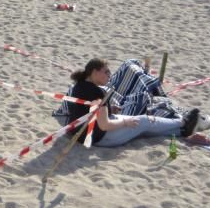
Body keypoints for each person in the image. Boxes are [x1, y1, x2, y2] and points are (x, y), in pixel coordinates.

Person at [65, 59, 199, 148]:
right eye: (106, 72)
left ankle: (180, 131)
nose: (109, 75)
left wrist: (110, 109)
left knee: (139, 125)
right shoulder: (97, 93)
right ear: (94, 72)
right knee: (143, 121)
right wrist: (125, 123)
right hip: (97, 138)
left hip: (79, 134)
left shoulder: (79, 85)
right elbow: (104, 125)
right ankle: (183, 123)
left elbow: (85, 110)